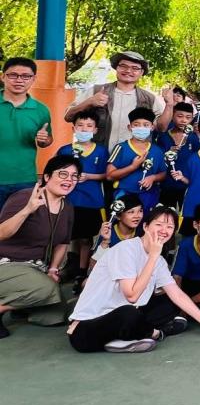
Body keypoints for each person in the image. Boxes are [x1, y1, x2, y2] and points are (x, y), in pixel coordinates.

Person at [67, 205, 200, 353]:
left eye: (170, 227)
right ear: (145, 226)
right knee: (129, 313)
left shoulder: (159, 260)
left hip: (122, 318)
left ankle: (124, 340)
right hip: (85, 331)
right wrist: (153, 257)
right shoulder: (126, 250)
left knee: (170, 302)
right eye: (159, 225)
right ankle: (155, 333)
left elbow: (176, 294)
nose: (164, 230)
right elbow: (131, 296)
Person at [0, 155, 79, 338]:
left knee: (55, 314)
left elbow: (62, 243)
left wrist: (53, 269)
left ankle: (22, 304)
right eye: (63, 174)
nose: (68, 180)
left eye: (74, 176)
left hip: (36, 267)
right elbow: (2, 233)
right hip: (7, 263)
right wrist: (28, 209)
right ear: (47, 177)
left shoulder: (67, 207)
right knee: (46, 289)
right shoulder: (25, 197)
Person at [65, 51, 172, 150]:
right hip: (99, 156)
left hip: (134, 158)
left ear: (141, 72)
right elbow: (68, 116)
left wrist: (169, 104)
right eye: (123, 66)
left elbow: (161, 128)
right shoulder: (96, 91)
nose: (128, 71)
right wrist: (90, 102)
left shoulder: (149, 99)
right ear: (116, 68)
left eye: (135, 68)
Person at [57, 111, 108, 291]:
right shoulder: (65, 150)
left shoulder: (101, 151)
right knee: (65, 236)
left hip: (91, 202)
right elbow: (56, 173)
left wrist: (89, 176)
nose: (84, 129)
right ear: (73, 128)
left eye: (88, 126)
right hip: (67, 201)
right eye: (80, 126)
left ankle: (82, 271)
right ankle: (58, 268)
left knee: (86, 239)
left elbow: (106, 174)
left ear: (95, 130)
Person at [0, 57, 53, 209]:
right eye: (13, 75)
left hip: (24, 179)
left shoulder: (41, 109)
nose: (19, 80)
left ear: (33, 79)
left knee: (21, 226)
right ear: (3, 76)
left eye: (26, 76)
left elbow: (48, 140)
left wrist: (44, 139)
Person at [105, 107, 167, 213]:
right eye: (136, 125)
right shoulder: (120, 148)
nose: (141, 128)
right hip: (125, 195)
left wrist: (153, 177)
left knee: (146, 225)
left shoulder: (157, 150)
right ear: (130, 127)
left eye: (146, 125)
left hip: (149, 196)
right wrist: (132, 167)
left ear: (152, 127)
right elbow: (109, 176)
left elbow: (163, 174)